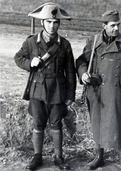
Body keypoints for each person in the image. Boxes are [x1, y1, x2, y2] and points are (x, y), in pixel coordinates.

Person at [14, 2, 76, 170]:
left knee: (56, 123)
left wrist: (70, 95)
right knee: (38, 123)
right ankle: (37, 157)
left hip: (58, 90)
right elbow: (18, 58)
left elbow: (70, 72)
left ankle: (58, 157)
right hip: (37, 89)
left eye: (56, 22)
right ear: (42, 23)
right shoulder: (32, 42)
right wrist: (29, 63)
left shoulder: (65, 45)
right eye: (49, 22)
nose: (52, 25)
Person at [76, 10, 121, 170]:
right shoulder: (94, 41)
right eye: (112, 25)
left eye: (118, 25)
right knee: (97, 123)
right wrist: (83, 73)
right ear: (104, 26)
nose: (116, 28)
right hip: (97, 91)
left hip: (118, 90)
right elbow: (81, 60)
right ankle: (99, 156)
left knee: (119, 123)